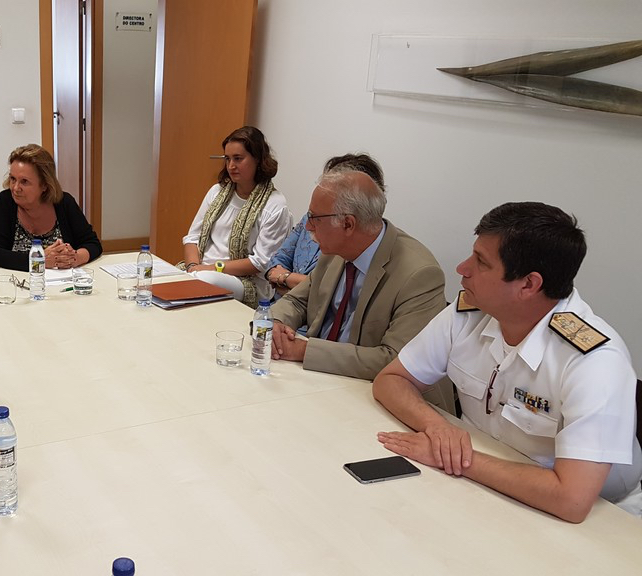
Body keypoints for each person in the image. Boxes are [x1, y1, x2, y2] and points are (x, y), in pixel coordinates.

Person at [373, 202, 642, 523]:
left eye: (481, 262)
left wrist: (457, 458)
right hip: (482, 483)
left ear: (528, 285)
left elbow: (571, 500)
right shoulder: (469, 313)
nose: (462, 268)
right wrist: (438, 428)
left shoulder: (595, 361)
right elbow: (392, 380)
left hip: (598, 516)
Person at [269, 160, 446, 380]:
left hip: (372, 388)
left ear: (348, 224)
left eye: (314, 218)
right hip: (320, 377)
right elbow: (298, 301)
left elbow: (396, 359)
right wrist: (277, 323)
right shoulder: (335, 250)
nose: (307, 226)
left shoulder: (419, 274)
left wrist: (305, 351)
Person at [182, 126, 293, 308]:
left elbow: (261, 262)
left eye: (238, 159)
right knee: (166, 276)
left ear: (258, 159)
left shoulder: (275, 204)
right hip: (200, 270)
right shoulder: (217, 191)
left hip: (245, 281)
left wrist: (210, 268)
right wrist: (192, 266)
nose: (231, 166)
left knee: (202, 281)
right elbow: (192, 238)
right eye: (227, 159)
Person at [265, 154, 385, 299]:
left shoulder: (358, 242)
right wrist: (285, 280)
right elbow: (277, 259)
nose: (309, 226)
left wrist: (286, 278)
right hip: (281, 303)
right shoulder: (310, 219)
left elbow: (329, 291)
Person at [0, 144, 102, 271]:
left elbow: (92, 243)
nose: (15, 188)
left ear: (44, 184)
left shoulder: (64, 202)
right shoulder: (0, 203)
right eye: (13, 179)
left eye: (24, 181)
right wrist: (39, 260)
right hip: (15, 281)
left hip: (62, 280)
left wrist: (74, 258)